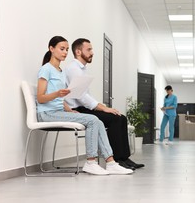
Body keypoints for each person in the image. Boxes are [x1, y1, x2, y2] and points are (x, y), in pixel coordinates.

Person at [36, 36, 133, 175]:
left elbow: (61, 100)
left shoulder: (60, 71)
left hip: (59, 111)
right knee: (93, 120)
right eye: (62, 49)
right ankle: (91, 162)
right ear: (51, 49)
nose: (65, 52)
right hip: (47, 114)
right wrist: (57, 94)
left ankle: (111, 162)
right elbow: (40, 98)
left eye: (67, 50)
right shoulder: (46, 69)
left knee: (97, 121)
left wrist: (70, 110)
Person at [64, 38, 144, 170]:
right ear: (78, 52)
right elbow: (81, 96)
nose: (92, 52)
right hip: (76, 109)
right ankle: (116, 160)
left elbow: (85, 95)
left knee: (121, 118)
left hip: (83, 107)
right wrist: (103, 108)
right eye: (88, 49)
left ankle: (124, 158)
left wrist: (102, 107)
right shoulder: (73, 69)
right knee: (114, 119)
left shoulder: (81, 69)